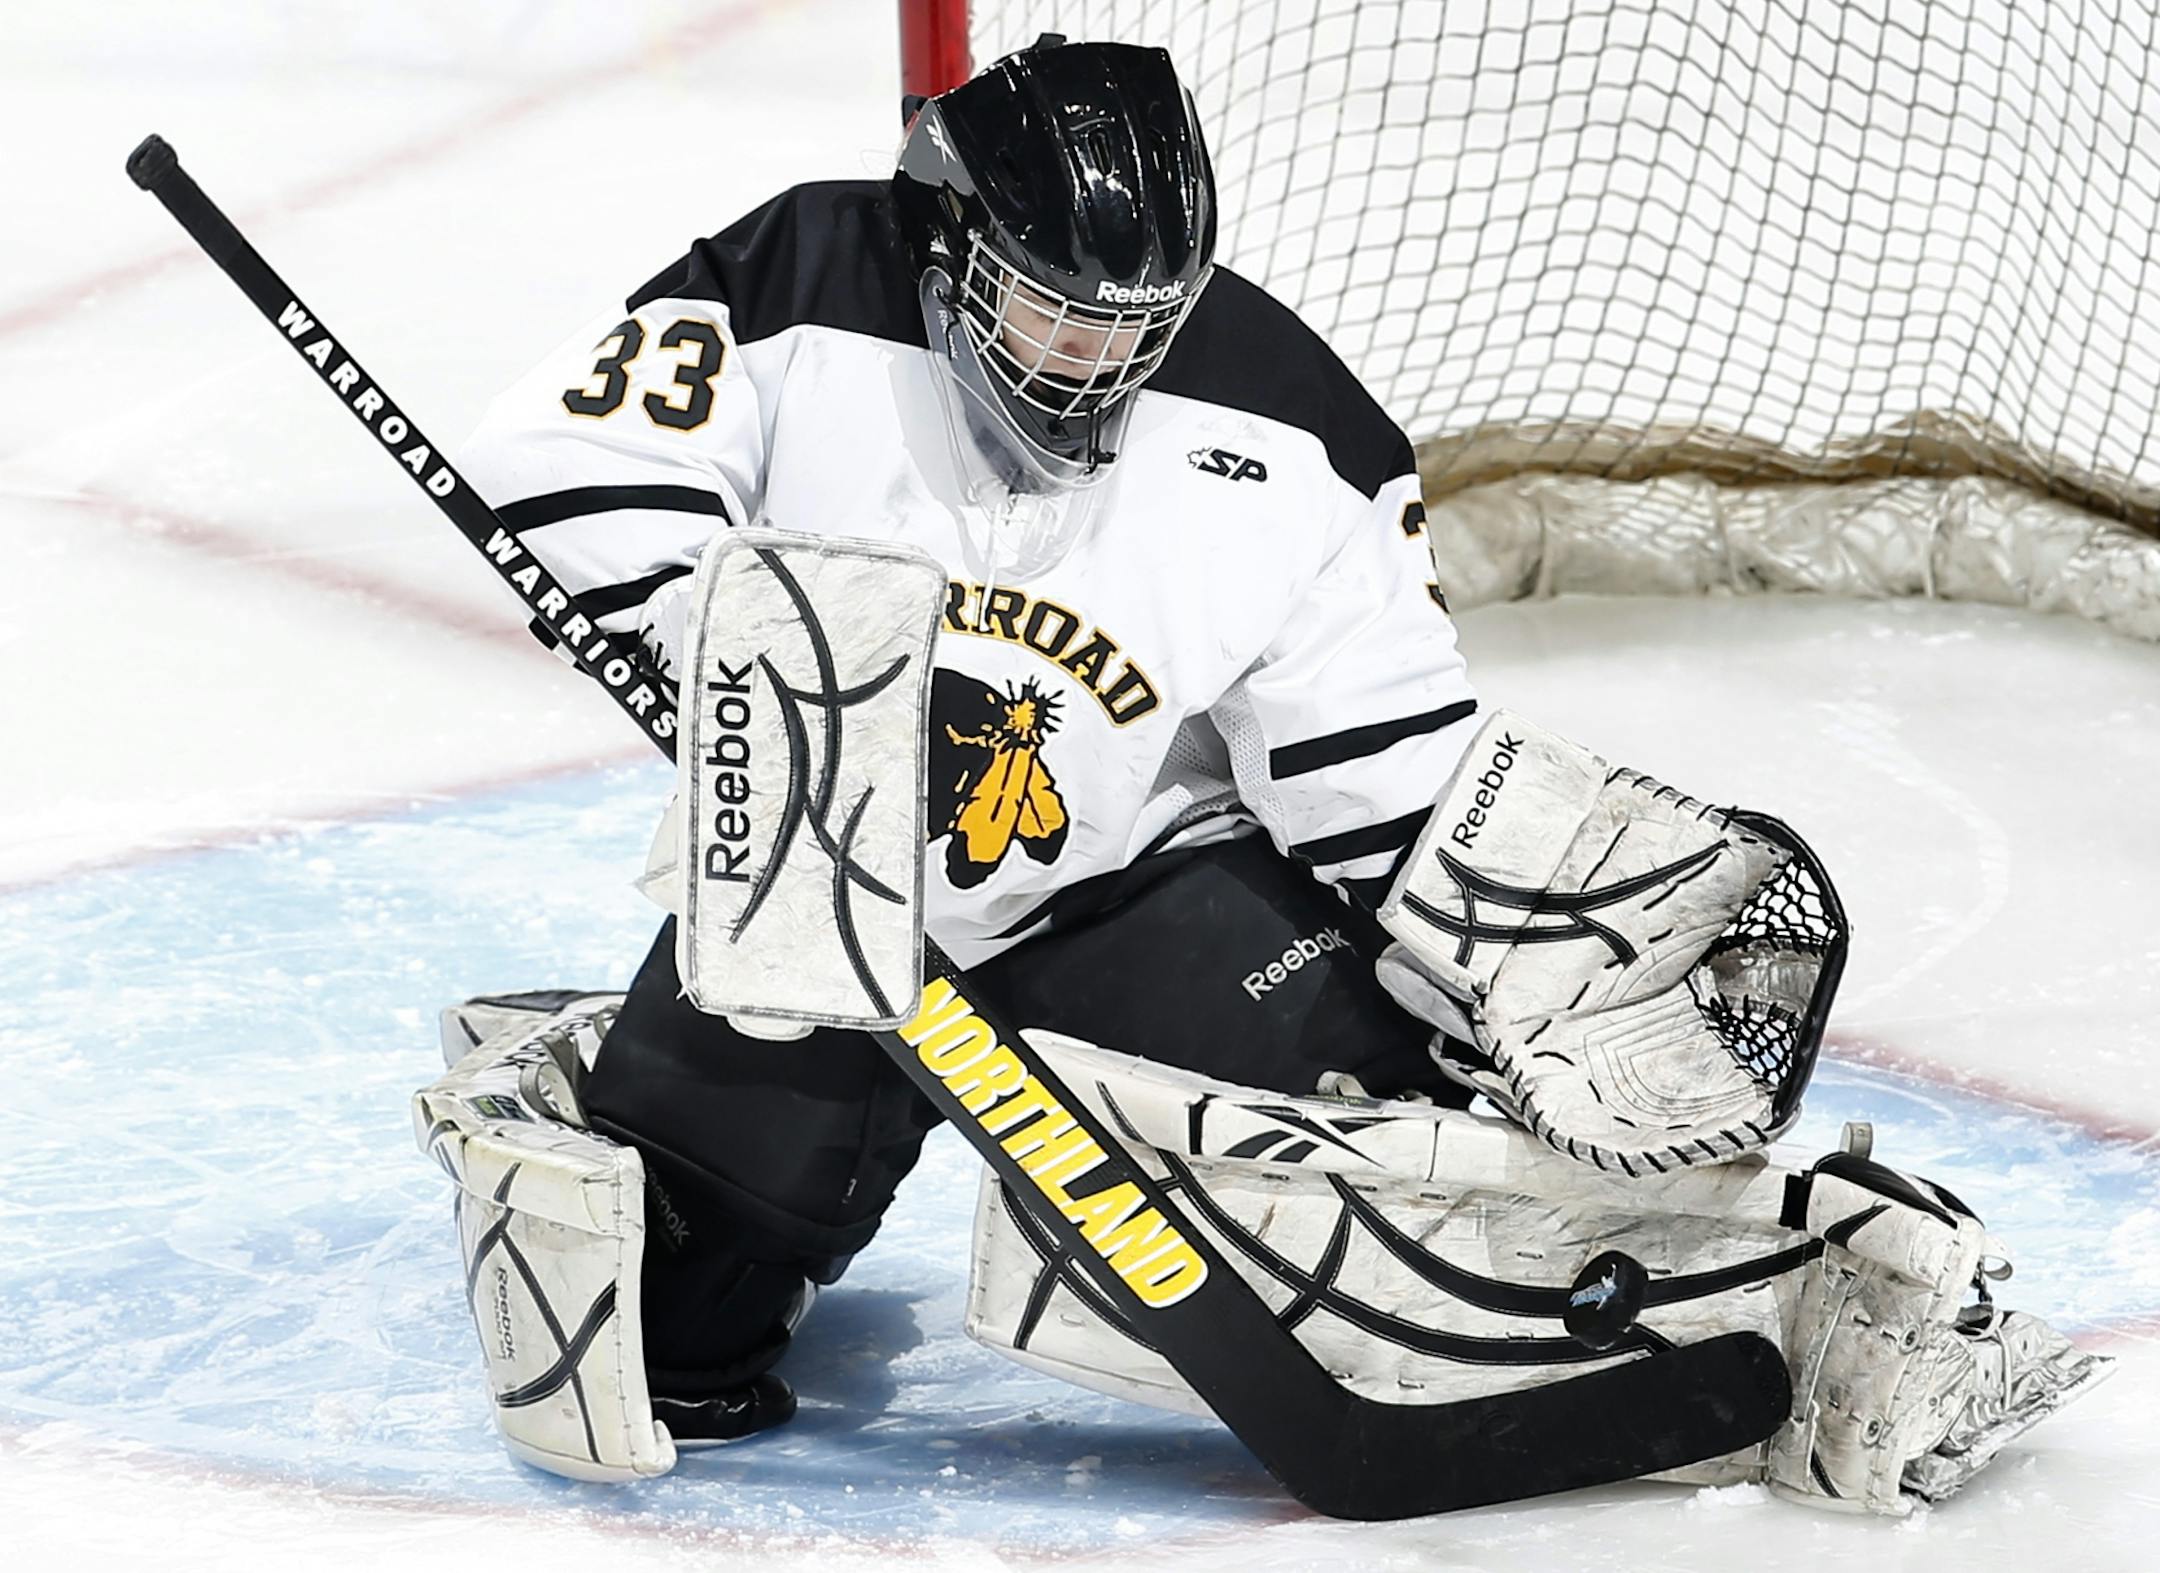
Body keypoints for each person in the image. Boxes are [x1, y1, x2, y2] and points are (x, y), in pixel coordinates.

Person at [418, 36, 2102, 1508]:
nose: (1094, 362)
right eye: (1052, 312)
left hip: (1132, 887)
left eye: (1138, 322)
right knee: (658, 1321)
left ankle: (1795, 1285)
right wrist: (782, 678)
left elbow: (1376, 775)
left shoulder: (1293, 434)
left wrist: (1512, 943)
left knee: (1396, 1183)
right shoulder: (806, 274)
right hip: (817, 883)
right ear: (955, 245)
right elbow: (565, 472)